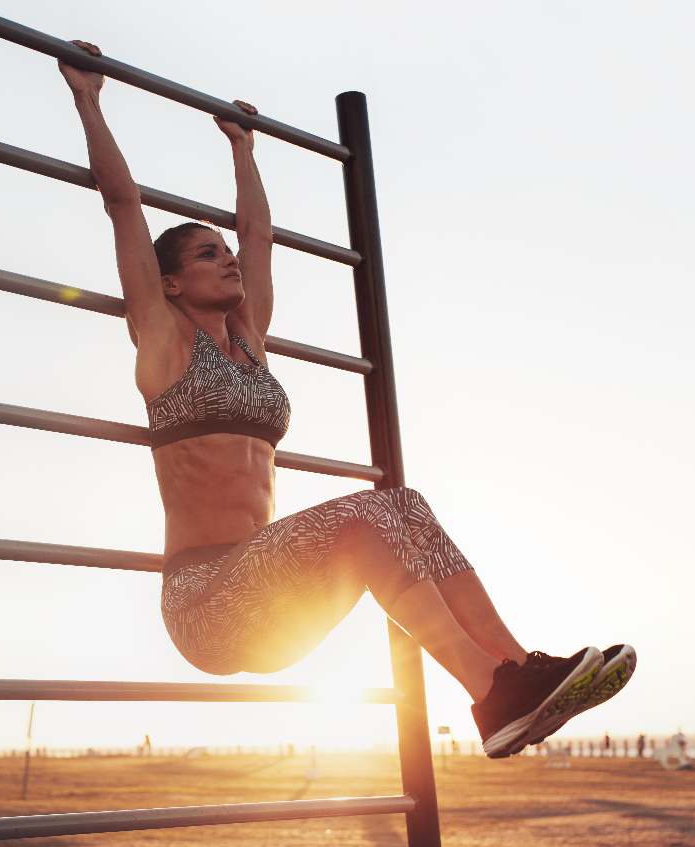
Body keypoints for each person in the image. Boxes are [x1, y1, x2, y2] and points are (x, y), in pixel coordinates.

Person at [57, 43, 635, 759]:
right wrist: (87, 97)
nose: (227, 257)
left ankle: (515, 673)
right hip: (209, 603)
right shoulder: (162, 341)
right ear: (170, 283)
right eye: (207, 254)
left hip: (279, 599)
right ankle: (490, 688)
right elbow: (123, 204)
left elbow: (259, 236)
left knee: (407, 503)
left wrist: (243, 147)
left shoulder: (250, 338)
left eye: (223, 250)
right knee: (368, 516)